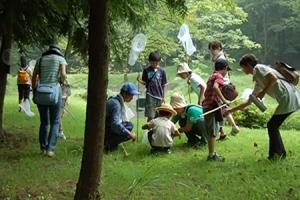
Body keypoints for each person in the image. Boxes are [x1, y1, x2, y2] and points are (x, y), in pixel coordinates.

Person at [224, 54, 300, 160]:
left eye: (242, 67)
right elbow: (249, 102)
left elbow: (273, 78)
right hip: (289, 97)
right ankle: (278, 154)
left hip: (288, 97)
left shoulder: (259, 68)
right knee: (272, 126)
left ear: (248, 65)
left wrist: (263, 92)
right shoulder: (258, 78)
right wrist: (230, 110)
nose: (242, 70)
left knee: (272, 126)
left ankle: (277, 154)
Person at [32, 44, 67, 157]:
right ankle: (50, 149)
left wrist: (34, 90)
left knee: (44, 122)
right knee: (55, 121)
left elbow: (34, 76)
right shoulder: (61, 59)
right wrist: (63, 81)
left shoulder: (40, 60)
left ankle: (43, 148)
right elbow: (63, 74)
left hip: (41, 92)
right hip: (55, 92)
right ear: (58, 52)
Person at [208, 40, 240, 138]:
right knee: (221, 108)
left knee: (220, 108)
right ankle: (223, 132)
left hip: (222, 86)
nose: (212, 52)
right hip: (222, 84)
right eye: (211, 50)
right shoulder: (219, 58)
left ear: (218, 48)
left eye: (213, 50)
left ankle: (231, 127)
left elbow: (218, 76)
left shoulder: (219, 59)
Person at [202, 59, 231, 161]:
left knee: (213, 131)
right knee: (213, 132)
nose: (227, 73)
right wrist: (224, 100)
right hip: (211, 107)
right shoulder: (219, 76)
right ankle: (211, 155)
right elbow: (215, 87)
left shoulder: (212, 75)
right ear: (225, 68)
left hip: (208, 106)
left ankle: (212, 154)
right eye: (227, 70)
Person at [105, 82, 138, 151]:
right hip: (106, 130)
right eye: (131, 95)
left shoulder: (115, 100)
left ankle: (110, 142)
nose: (132, 98)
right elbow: (115, 124)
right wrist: (129, 133)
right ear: (124, 94)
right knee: (129, 128)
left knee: (129, 125)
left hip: (106, 127)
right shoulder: (116, 105)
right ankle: (109, 143)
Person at [137, 51, 167, 122]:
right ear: (149, 62)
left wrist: (163, 97)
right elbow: (145, 83)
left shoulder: (162, 71)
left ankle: (156, 131)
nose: (155, 64)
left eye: (157, 63)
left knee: (159, 116)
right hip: (150, 95)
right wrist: (139, 80)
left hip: (159, 96)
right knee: (151, 116)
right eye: (153, 63)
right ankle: (149, 132)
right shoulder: (146, 70)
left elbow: (164, 85)